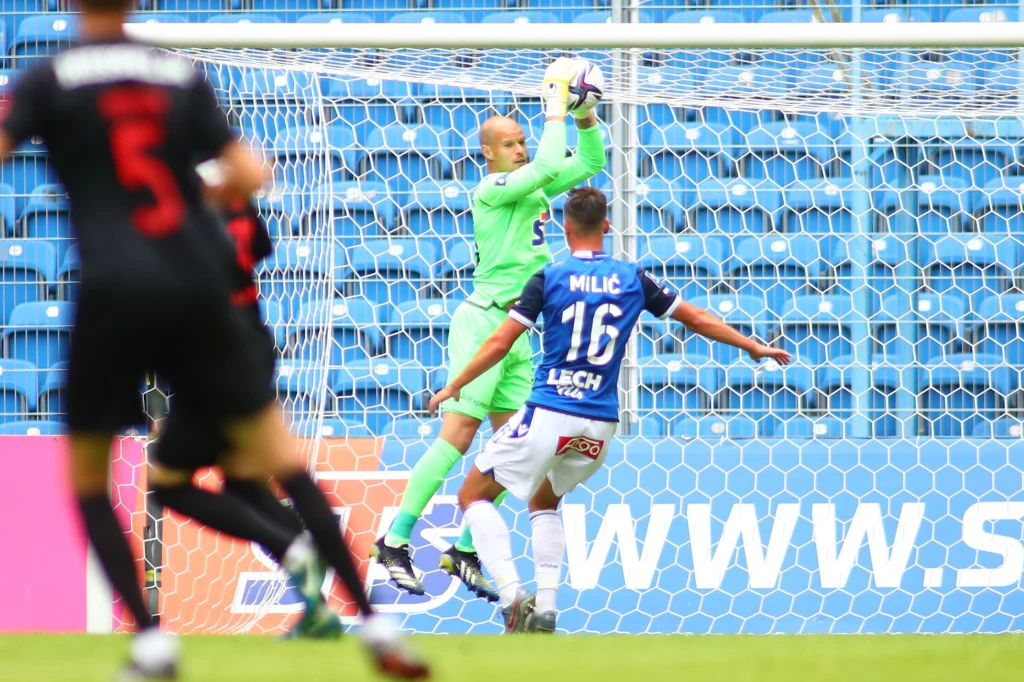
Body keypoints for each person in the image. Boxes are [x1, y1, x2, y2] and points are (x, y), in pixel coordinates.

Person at [0, 1, 427, 678]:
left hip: (115, 289)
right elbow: (253, 174)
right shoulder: (177, 74)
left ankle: (151, 643)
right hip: (201, 292)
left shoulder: (49, 77)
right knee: (285, 466)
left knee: (89, 479)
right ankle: (375, 628)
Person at [427, 187, 792, 632]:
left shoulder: (549, 276)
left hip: (551, 410)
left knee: (472, 495)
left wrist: (456, 384)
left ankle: (510, 597)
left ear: (565, 227)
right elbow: (696, 318)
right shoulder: (633, 277)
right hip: (600, 424)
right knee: (544, 500)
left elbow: (501, 342)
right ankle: (546, 608)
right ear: (605, 225)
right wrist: (752, 346)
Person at [372, 57, 607, 601]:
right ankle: (395, 540)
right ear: (488, 154)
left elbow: (590, 159)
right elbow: (546, 165)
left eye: (522, 141)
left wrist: (585, 115)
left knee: (515, 449)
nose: (520, 149)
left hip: (519, 332)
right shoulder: (492, 190)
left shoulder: (531, 188)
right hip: (484, 322)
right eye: (509, 144)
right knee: (457, 438)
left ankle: (463, 549)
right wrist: (555, 107)